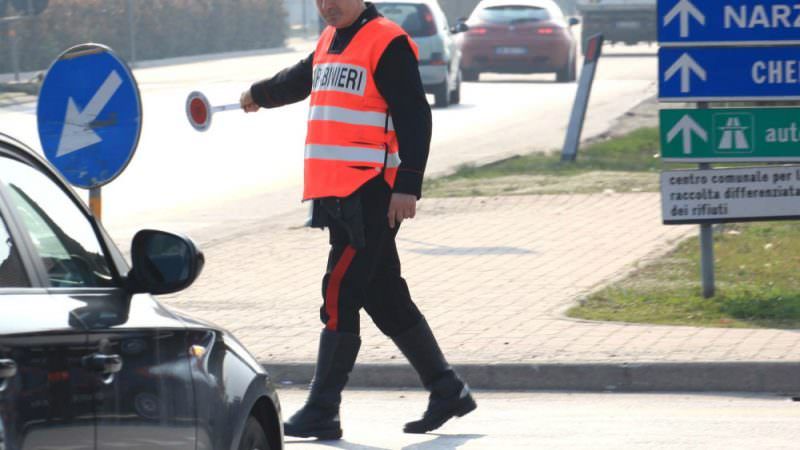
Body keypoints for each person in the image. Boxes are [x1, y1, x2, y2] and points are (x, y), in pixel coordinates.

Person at [240, 0, 476, 440]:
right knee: (384, 295)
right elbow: (299, 79)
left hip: (373, 193)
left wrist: (408, 184)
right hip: (338, 193)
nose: (327, 6)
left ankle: (322, 408)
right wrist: (259, 94)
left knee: (340, 290)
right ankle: (448, 390)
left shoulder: (386, 41)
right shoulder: (331, 38)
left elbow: (414, 114)